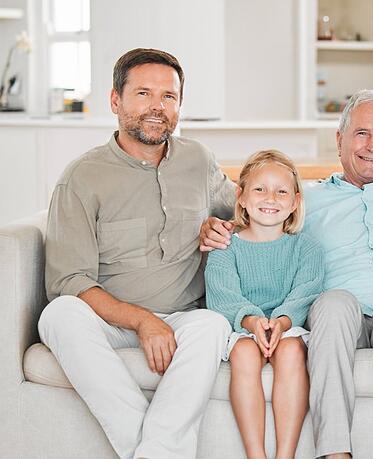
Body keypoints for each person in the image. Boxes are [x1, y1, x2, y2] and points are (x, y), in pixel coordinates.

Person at [200, 89, 373, 459]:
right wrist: (213, 225)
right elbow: (254, 207)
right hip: (340, 317)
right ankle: (335, 453)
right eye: (361, 133)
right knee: (333, 302)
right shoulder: (306, 198)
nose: (372, 145)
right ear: (339, 139)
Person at [37, 48, 235, 459]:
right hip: (110, 319)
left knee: (213, 325)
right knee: (58, 315)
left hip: (185, 316)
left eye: (169, 96)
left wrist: (224, 229)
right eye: (144, 94)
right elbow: (68, 281)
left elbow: (244, 213)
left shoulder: (199, 160)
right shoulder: (81, 178)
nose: (157, 108)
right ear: (116, 101)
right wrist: (142, 321)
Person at [205, 150, 324, 459]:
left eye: (281, 191)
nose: (270, 197)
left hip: (289, 325)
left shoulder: (306, 247)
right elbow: (222, 292)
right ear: (241, 196)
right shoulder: (226, 245)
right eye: (260, 189)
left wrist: (281, 323)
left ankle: (286, 454)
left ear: (295, 201)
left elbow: (307, 291)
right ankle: (255, 454)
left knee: (291, 351)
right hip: (244, 326)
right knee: (244, 354)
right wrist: (253, 322)